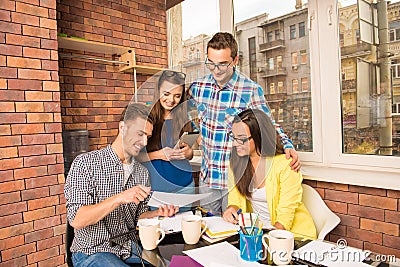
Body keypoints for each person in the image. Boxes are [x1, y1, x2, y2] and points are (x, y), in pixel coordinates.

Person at [188, 32, 300, 214]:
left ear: (235, 60)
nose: (216, 70)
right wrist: (198, 135)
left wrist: (287, 145)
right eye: (211, 63)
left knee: (232, 233)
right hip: (208, 178)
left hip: (235, 179)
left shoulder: (250, 90)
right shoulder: (199, 88)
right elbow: (182, 115)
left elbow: (267, 125)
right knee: (208, 233)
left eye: (223, 64)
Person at [64, 103, 178, 267]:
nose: (144, 141)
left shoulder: (141, 173)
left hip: (128, 249)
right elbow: (76, 219)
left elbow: (138, 218)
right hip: (92, 251)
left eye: (148, 136)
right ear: (123, 127)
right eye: (140, 134)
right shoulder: (85, 164)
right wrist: (120, 198)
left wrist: (158, 213)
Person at [222, 109, 316, 239]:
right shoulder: (236, 165)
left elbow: (285, 215)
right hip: (256, 234)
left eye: (242, 139)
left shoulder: (285, 165)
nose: (234, 143)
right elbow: (235, 200)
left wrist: (267, 239)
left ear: (260, 136)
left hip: (291, 236)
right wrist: (231, 208)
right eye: (233, 137)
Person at [138, 70, 195, 211]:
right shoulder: (145, 116)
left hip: (185, 187)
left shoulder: (183, 117)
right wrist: (159, 155)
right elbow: (132, 156)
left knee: (184, 232)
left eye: (177, 96)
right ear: (158, 91)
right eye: (167, 94)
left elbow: (189, 152)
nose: (171, 100)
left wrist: (189, 153)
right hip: (157, 190)